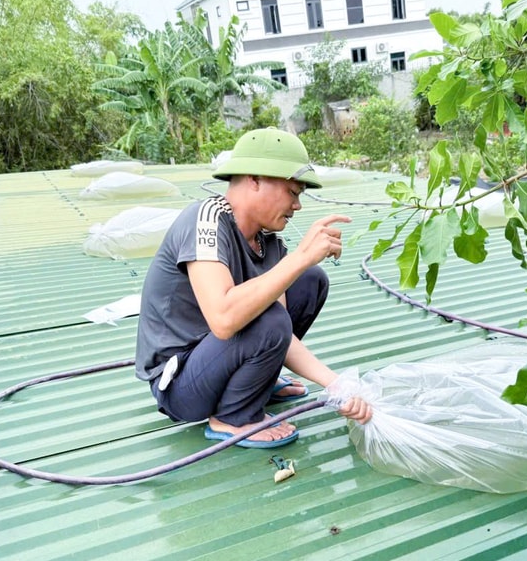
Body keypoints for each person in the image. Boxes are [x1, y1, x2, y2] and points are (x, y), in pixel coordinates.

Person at [135, 127, 371, 448]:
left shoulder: (267, 240)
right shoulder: (205, 219)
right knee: (275, 306)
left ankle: (256, 383)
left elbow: (282, 333)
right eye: (293, 192)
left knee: (310, 281)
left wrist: (336, 384)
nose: (297, 206)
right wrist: (300, 256)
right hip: (181, 386)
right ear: (255, 179)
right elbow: (224, 319)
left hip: (217, 359)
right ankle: (234, 417)